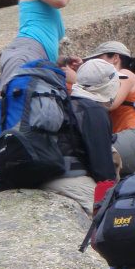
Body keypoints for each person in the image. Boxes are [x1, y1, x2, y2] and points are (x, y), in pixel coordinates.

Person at [0, 0, 94, 92]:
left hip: (41, 59)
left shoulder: (51, 9)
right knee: (16, 102)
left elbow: (45, 40)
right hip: (26, 51)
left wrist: (63, 61)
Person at [38, 58, 120, 213]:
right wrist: (109, 202)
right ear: (109, 86)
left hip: (40, 173)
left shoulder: (68, 103)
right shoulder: (94, 111)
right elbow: (102, 168)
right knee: (110, 217)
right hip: (66, 179)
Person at [82, 40, 135, 175]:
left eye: (97, 59)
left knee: (92, 158)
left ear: (115, 58)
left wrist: (77, 80)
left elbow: (110, 103)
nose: (93, 65)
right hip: (131, 139)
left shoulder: (125, 74)